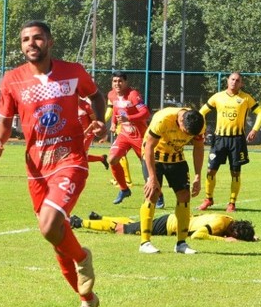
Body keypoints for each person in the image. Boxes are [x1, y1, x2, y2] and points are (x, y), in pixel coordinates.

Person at [0, 20, 107, 307]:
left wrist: (99, 119)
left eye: (37, 38)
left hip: (70, 159)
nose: (31, 43)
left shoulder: (73, 72)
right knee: (55, 238)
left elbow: (96, 95)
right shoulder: (13, 80)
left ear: (49, 41)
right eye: (26, 39)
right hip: (36, 169)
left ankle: (82, 257)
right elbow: (4, 119)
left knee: (49, 225)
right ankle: (87, 301)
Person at [139, 107, 205, 254]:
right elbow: (149, 147)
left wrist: (198, 176)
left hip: (177, 158)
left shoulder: (199, 122)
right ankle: (145, 242)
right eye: (185, 132)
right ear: (180, 121)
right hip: (154, 157)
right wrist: (152, 178)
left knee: (184, 196)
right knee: (153, 194)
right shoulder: (163, 119)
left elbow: (199, 148)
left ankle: (181, 243)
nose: (186, 136)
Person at [197, 71, 261, 212]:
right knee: (211, 170)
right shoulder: (218, 97)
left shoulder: (246, 98)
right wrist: (202, 130)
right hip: (219, 140)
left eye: (238, 80)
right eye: (232, 79)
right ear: (227, 80)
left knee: (235, 172)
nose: (234, 82)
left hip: (237, 140)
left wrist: (254, 129)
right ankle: (208, 199)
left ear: (241, 83)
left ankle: (231, 203)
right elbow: (202, 112)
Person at [106, 72, 151, 204]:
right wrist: (114, 123)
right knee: (112, 159)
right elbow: (116, 108)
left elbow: (146, 113)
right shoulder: (111, 94)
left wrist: (129, 118)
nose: (117, 84)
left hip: (140, 136)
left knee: (147, 166)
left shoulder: (133, 95)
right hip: (124, 135)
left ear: (126, 82)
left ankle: (157, 194)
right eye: (114, 81)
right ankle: (124, 189)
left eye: (120, 81)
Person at [70, 212, 258, 242]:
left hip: (172, 220)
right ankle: (79, 223)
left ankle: (100, 218)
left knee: (132, 224)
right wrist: (225, 241)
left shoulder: (228, 219)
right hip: (168, 225)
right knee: (122, 229)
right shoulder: (219, 225)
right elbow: (198, 236)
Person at [78, 97, 109, 169]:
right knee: (79, 155)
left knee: (80, 155)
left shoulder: (86, 106)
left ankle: (80, 173)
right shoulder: (70, 105)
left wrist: (87, 131)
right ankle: (102, 158)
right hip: (77, 134)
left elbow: (94, 122)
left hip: (88, 134)